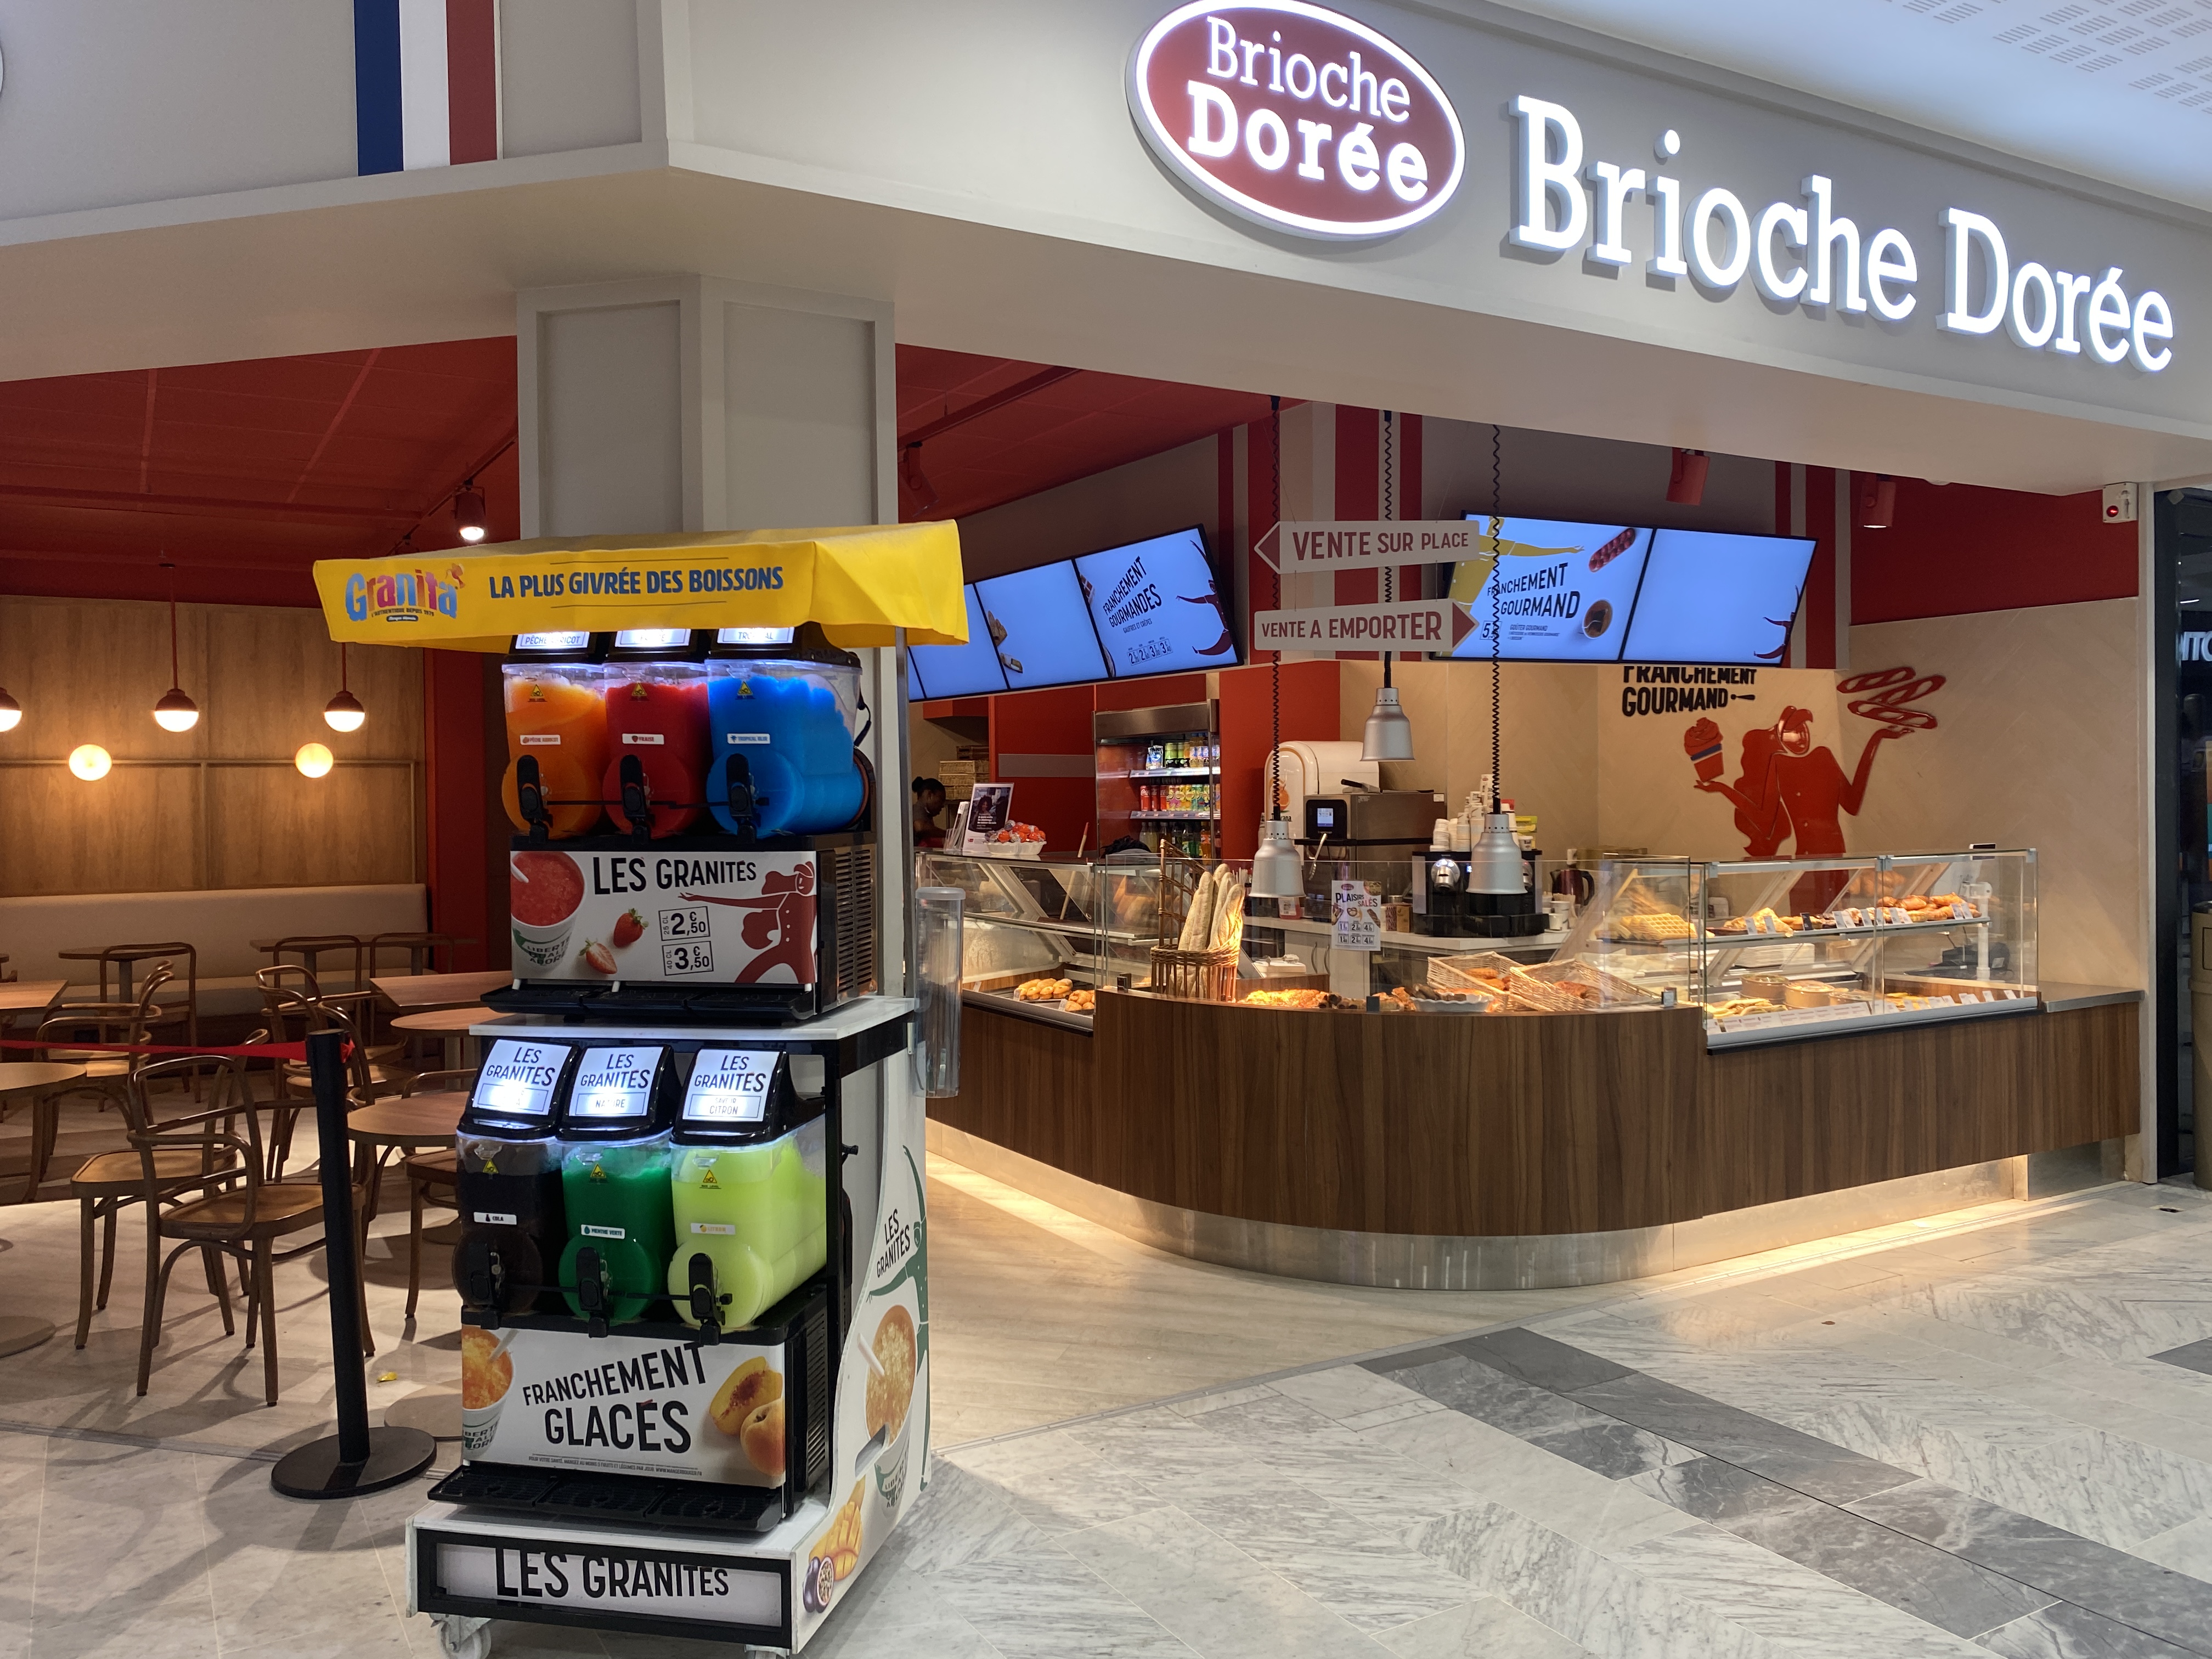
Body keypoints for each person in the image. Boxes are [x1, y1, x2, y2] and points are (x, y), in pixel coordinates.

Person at [911, 777, 947, 849]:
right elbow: (920, 827)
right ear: (929, 795)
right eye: (941, 800)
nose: (943, 805)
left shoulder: (926, 814)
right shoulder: (918, 809)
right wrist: (948, 834)